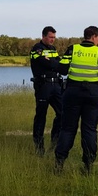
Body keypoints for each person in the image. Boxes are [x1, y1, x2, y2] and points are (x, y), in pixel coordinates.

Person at [54, 26, 98, 175]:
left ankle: (59, 164)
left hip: (72, 92)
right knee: (89, 129)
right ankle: (88, 166)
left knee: (67, 129)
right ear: (93, 37)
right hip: (93, 93)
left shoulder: (72, 49)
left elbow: (62, 70)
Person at [30, 26, 63, 156]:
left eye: (54, 37)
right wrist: (53, 63)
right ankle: (39, 148)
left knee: (62, 114)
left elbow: (58, 64)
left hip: (56, 86)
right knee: (41, 117)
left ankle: (54, 143)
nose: (52, 40)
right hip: (43, 86)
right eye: (50, 37)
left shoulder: (53, 49)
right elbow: (48, 64)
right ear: (43, 36)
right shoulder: (36, 49)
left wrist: (53, 62)